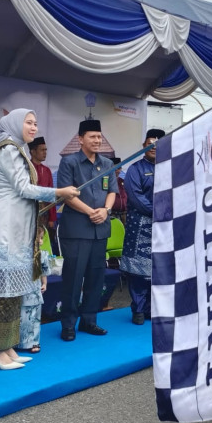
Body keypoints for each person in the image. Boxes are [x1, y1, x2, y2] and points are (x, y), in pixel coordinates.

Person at [0, 109, 79, 370]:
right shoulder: (8, 149)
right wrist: (59, 191)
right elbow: (23, 188)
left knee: (12, 292)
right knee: (1, 294)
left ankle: (6, 346)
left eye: (35, 123)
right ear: (14, 124)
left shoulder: (16, 148)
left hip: (16, 230)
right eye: (28, 122)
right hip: (3, 230)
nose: (33, 127)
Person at [57, 119, 118, 341]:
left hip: (100, 229)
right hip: (77, 229)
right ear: (80, 139)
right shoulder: (69, 163)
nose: (97, 140)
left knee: (95, 277)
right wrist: (91, 211)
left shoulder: (107, 163)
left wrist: (106, 210)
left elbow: (112, 190)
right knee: (73, 278)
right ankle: (68, 324)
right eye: (92, 136)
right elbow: (66, 195)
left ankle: (89, 321)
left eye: (99, 137)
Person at [120, 129, 162, 325]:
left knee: (159, 267)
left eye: (157, 143)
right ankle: (138, 308)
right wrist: (157, 211)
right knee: (138, 270)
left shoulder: (171, 167)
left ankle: (152, 308)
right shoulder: (135, 169)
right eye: (149, 143)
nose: (154, 147)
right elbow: (135, 196)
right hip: (141, 225)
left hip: (164, 226)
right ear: (144, 147)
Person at [15, 233, 51, 354]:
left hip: (35, 291)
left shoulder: (43, 254)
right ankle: (17, 341)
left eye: (41, 238)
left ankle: (34, 342)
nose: (40, 241)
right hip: (22, 290)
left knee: (35, 318)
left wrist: (44, 283)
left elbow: (44, 271)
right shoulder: (20, 255)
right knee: (21, 317)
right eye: (38, 238)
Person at [29, 136, 58, 255]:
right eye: (42, 150)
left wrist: (52, 218)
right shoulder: (25, 168)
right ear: (33, 151)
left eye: (46, 150)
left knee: (43, 240)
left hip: (44, 211)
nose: (45, 153)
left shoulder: (46, 170)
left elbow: (51, 195)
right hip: (29, 211)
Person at [109, 157, 127, 224]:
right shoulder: (105, 182)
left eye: (119, 168)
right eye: (115, 168)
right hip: (111, 215)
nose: (117, 170)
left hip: (125, 214)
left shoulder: (123, 181)